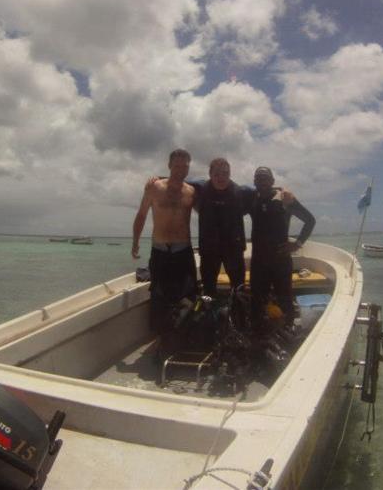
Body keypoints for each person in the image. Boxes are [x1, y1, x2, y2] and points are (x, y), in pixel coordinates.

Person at [132, 149, 198, 347]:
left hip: (183, 250)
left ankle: (183, 335)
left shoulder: (192, 191)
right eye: (176, 165)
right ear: (169, 166)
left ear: (188, 167)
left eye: (184, 165)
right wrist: (135, 242)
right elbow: (142, 214)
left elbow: (210, 211)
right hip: (160, 250)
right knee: (159, 296)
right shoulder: (154, 188)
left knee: (187, 294)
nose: (180, 169)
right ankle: (162, 340)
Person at [248, 166, 315, 333]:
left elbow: (310, 220)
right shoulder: (251, 199)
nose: (262, 181)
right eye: (259, 178)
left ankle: (287, 333)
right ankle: (259, 337)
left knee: (285, 301)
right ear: (254, 182)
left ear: (272, 181)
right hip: (258, 262)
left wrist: (297, 244)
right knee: (257, 302)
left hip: (280, 261)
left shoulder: (285, 199)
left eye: (265, 178)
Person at [191, 158, 253, 297]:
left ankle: (239, 317)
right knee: (208, 290)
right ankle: (210, 317)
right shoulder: (201, 188)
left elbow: (262, 188)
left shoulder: (241, 191)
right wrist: (157, 179)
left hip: (233, 249)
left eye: (225, 173)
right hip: (209, 250)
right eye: (217, 174)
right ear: (210, 174)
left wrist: (281, 189)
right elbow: (176, 180)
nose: (221, 177)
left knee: (239, 289)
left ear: (230, 173)